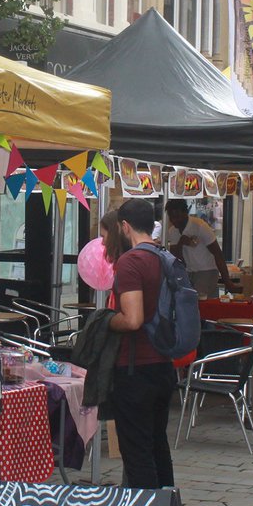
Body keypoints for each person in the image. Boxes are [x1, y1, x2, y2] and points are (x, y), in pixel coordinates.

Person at [108, 199, 178, 486]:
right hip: (164, 363)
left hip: (135, 367)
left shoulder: (131, 261)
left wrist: (107, 321)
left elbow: (133, 319)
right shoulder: (165, 257)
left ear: (125, 226)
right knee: (158, 445)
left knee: (137, 452)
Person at [164, 199, 231, 299]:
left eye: (177, 217)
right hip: (188, 272)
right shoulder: (173, 231)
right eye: (171, 217)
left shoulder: (200, 226)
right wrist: (180, 243)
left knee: (200, 301)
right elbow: (176, 259)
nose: (174, 221)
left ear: (185, 213)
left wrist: (227, 281)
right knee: (188, 301)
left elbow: (218, 253)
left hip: (206, 270)